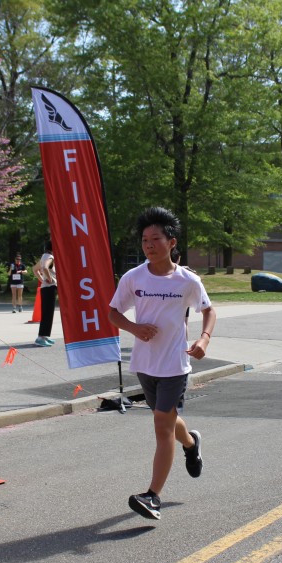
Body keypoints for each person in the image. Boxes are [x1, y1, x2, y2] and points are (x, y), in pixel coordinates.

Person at [108, 207, 214, 520]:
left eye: (155, 239)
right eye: (145, 240)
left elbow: (208, 310)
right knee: (166, 418)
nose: (149, 245)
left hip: (174, 364)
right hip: (145, 364)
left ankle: (153, 496)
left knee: (161, 425)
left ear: (171, 242)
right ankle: (191, 444)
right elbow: (113, 312)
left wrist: (204, 339)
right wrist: (134, 328)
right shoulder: (133, 277)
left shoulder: (187, 280)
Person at [33, 241, 57, 346]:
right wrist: (50, 279)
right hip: (50, 287)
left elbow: (34, 269)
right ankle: (41, 337)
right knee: (48, 313)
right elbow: (45, 268)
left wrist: (42, 280)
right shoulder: (50, 257)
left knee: (47, 313)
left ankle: (45, 336)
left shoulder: (44, 256)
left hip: (45, 288)